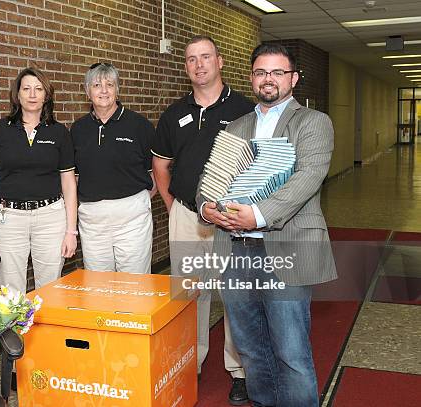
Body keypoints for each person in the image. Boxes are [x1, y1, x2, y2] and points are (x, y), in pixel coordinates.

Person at [198, 43, 337, 407]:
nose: (268, 79)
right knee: (251, 347)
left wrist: (257, 214)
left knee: (290, 350)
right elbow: (209, 183)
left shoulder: (313, 122)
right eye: (261, 72)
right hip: (236, 251)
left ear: (293, 78)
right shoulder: (237, 126)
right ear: (251, 78)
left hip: (284, 248)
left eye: (277, 72)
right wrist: (207, 208)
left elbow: (308, 177)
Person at [152, 35, 253, 405]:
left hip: (230, 218)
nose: (199, 65)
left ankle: (239, 371)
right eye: (192, 59)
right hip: (186, 216)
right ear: (186, 67)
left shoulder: (245, 109)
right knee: (189, 294)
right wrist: (172, 205)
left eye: (206, 57)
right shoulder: (173, 113)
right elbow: (161, 165)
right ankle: (188, 361)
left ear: (220, 61)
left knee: (234, 295)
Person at [0, 67, 78, 294]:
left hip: (51, 218)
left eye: (38, 89)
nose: (32, 95)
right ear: (18, 95)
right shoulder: (0, 130)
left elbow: (69, 184)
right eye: (26, 89)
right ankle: (17, 331)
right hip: (8, 220)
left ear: (46, 95)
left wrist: (71, 231)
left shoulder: (59, 132)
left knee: (51, 289)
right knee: (11, 292)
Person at [71, 63, 156, 273]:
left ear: (118, 89)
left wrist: (137, 203)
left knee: (135, 286)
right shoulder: (78, 129)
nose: (104, 90)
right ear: (87, 91)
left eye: (110, 84)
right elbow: (74, 178)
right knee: (100, 288)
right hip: (92, 223)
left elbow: (156, 173)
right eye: (97, 85)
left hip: (132, 221)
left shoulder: (139, 125)